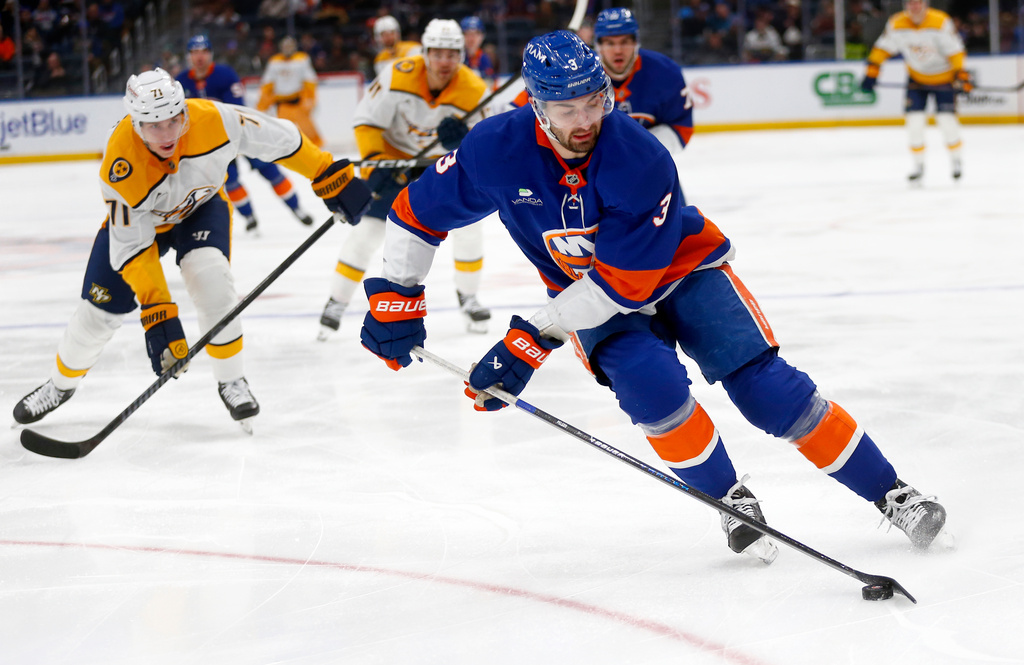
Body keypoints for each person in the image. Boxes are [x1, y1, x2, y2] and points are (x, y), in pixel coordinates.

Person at [358, 31, 949, 563]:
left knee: (769, 391)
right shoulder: (495, 149)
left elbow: (622, 285)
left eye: (595, 101)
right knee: (651, 388)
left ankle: (891, 492)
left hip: (680, 272)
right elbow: (415, 213)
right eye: (567, 108)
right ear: (536, 105)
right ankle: (728, 499)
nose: (586, 118)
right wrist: (396, 298)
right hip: (583, 295)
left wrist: (528, 342)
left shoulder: (637, 156)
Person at [13, 68, 371, 431]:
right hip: (142, 230)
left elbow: (279, 138)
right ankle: (60, 386)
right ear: (136, 124)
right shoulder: (120, 164)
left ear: (183, 108)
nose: (167, 132)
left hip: (200, 209)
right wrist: (158, 310)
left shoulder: (214, 119)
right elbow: (134, 247)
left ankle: (232, 380)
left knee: (213, 281)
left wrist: (326, 172)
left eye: (174, 119)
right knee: (97, 315)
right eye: (155, 125)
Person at [317, 18, 492, 341]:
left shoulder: (475, 89)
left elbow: (490, 140)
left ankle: (468, 297)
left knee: (469, 227)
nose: (444, 62)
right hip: (392, 160)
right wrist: (374, 162)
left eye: (452, 54)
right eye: (437, 53)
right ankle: (336, 302)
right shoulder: (398, 74)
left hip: (441, 165)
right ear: (425, 52)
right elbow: (367, 121)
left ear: (461, 56)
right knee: (367, 232)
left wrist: (464, 140)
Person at [179, 33, 315, 234]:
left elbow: (237, 107)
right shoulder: (180, 81)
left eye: (204, 51)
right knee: (229, 179)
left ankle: (297, 208)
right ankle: (249, 217)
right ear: (189, 55)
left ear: (211, 54)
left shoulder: (225, 74)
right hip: (214, 143)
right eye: (195, 52)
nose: (200, 57)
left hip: (241, 133)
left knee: (270, 171)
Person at [861, 0, 972, 181]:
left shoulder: (940, 21)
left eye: (918, 3)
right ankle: (918, 165)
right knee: (914, 123)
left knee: (946, 122)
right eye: (910, 4)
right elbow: (882, 48)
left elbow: (956, 51)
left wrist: (962, 75)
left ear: (925, 4)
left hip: (943, 78)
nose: (914, 7)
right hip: (917, 79)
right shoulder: (897, 22)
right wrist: (872, 72)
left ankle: (956, 160)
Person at [592, 8, 694, 204]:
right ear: (598, 46)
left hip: (653, 171)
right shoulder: (577, 76)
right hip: (594, 179)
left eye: (624, 42)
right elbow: (524, 109)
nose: (618, 50)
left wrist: (638, 151)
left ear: (636, 42)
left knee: (678, 229)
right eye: (609, 43)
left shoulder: (665, 73)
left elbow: (681, 129)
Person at [256, 36, 324, 148]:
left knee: (308, 131)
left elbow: (310, 81)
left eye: (290, 46)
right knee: (282, 132)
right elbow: (268, 83)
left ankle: (316, 149)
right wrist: (263, 101)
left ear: (295, 47)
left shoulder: (302, 59)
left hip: (298, 102)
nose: (287, 48)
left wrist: (310, 98)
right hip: (282, 104)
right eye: (285, 46)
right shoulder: (274, 61)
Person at [460, 16, 494, 87]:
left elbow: (491, 83)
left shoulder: (484, 59)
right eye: (467, 34)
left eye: (476, 34)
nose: (472, 38)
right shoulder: (456, 58)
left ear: (482, 36)